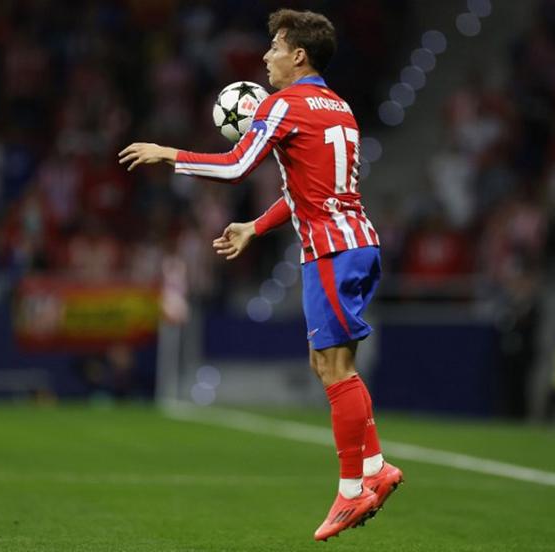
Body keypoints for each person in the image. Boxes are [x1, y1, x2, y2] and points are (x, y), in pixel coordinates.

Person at [119, 8, 402, 541]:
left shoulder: (284, 104)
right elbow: (309, 190)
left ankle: (351, 490)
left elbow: (233, 166)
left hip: (332, 252)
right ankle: (373, 469)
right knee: (327, 363)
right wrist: (255, 224)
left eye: (274, 47)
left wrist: (168, 154)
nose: (266, 56)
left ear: (299, 55)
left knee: (335, 367)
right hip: (355, 244)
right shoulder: (337, 106)